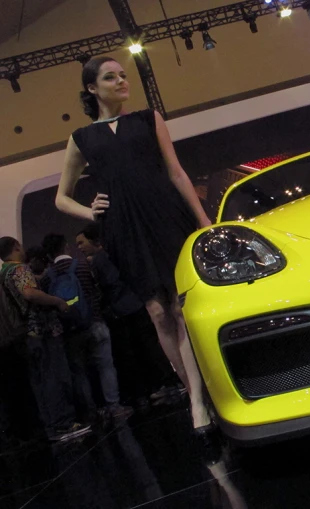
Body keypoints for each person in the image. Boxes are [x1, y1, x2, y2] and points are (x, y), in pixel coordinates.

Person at [54, 56, 213, 437]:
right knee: (156, 311)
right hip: (122, 228)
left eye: (124, 76)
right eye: (111, 77)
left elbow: (175, 171)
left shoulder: (147, 119)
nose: (122, 81)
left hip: (165, 215)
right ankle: (193, 391)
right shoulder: (81, 139)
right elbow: (61, 197)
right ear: (92, 88)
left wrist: (203, 219)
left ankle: (197, 402)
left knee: (179, 308)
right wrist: (90, 213)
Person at [76, 224, 181, 408]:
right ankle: (169, 382)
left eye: (81, 242)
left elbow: (112, 283)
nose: (79, 247)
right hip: (134, 304)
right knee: (150, 346)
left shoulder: (100, 260)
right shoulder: (112, 253)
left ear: (93, 240)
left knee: (145, 349)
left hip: (126, 309)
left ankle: (164, 384)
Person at [0, 237, 91, 442]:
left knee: (40, 381)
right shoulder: (19, 269)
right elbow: (30, 293)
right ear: (16, 247)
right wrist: (57, 301)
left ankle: (53, 426)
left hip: (24, 335)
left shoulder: (3, 273)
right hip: (43, 331)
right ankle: (65, 424)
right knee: (55, 377)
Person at [40, 233, 131, 421]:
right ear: (65, 246)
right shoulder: (82, 265)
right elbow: (95, 291)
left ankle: (92, 412)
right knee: (106, 366)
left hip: (70, 330)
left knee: (80, 373)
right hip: (94, 322)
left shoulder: (47, 277)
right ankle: (114, 406)